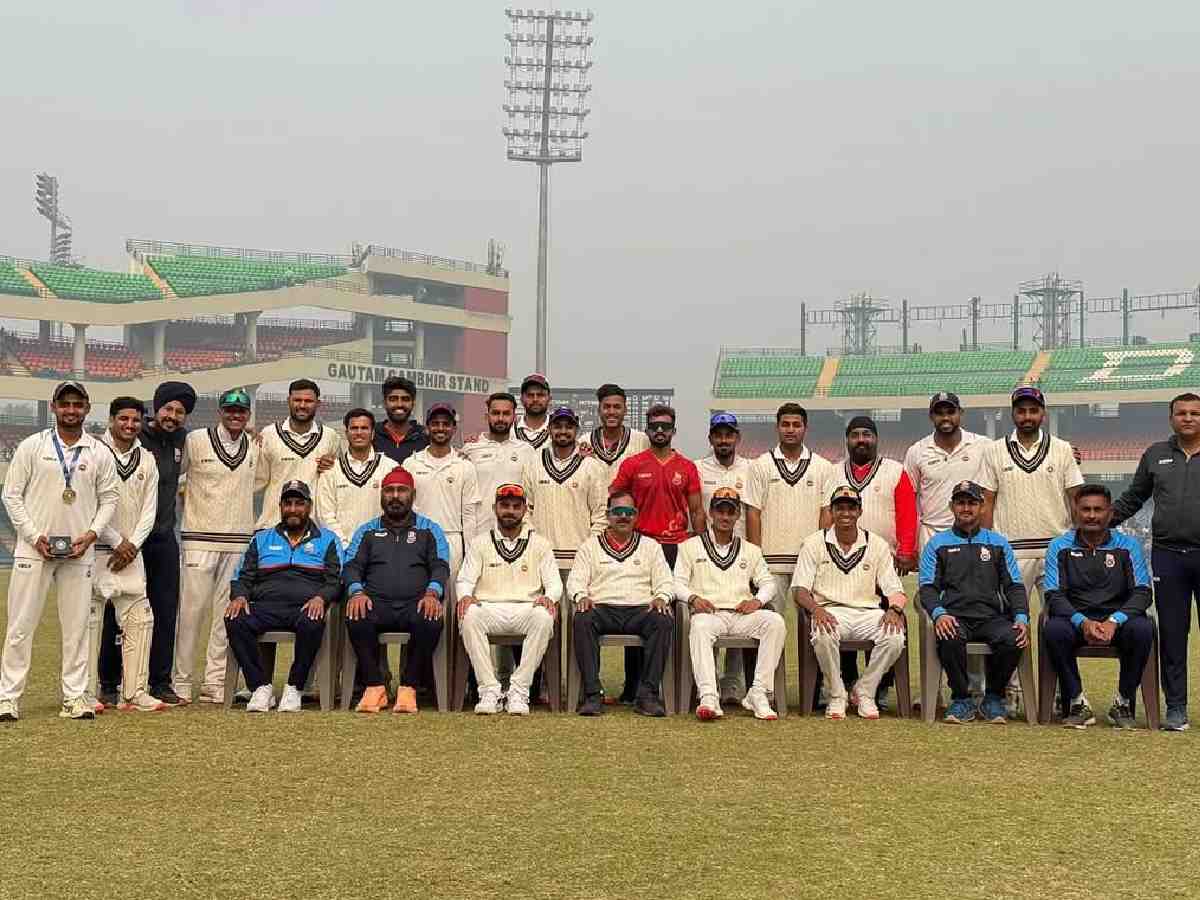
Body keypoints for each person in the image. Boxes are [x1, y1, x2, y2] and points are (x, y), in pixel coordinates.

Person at [0, 381, 119, 722]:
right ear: (53, 407)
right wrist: (34, 536)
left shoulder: (98, 452)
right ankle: (7, 698)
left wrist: (91, 535)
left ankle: (75, 697)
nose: (71, 410)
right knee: (20, 627)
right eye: (64, 404)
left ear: (87, 409)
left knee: (77, 628)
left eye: (77, 404)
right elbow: (11, 495)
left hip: (79, 551)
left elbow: (109, 498)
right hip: (33, 550)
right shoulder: (32, 446)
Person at [978, 386, 1083, 714]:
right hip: (1010, 551)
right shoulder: (994, 451)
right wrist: (989, 545)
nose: (1027, 416)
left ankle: (1062, 694)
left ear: (1043, 413)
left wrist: (1077, 544)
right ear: (1013, 413)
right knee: (1009, 625)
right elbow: (987, 501)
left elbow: (1076, 497)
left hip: (1055, 550)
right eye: (1021, 410)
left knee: (1061, 622)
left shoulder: (1062, 449)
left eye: (1033, 410)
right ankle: (1007, 692)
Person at [98, 380, 194, 706]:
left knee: (165, 613)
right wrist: (124, 541)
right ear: (156, 408)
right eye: (168, 409)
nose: (173, 416)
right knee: (116, 611)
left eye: (180, 412)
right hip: (127, 542)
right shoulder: (137, 437)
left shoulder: (181, 439)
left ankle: (159, 682)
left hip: (163, 538)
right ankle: (109, 683)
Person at [1111, 392, 1200, 731]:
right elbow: (1133, 498)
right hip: (1168, 557)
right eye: (1182, 413)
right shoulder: (1155, 454)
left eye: (1195, 413)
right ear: (1171, 418)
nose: (1188, 418)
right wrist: (1101, 523)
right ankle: (1176, 709)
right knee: (1173, 634)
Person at [609, 404, 705, 702]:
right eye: (654, 426)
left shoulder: (687, 467)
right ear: (648, 429)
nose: (660, 431)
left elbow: (697, 510)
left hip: (677, 547)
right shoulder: (633, 464)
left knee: (674, 618)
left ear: (674, 430)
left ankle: (676, 686)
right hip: (640, 547)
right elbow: (615, 501)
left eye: (665, 426)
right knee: (637, 610)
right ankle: (633, 686)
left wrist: (701, 546)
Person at [224, 480, 343, 713]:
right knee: (234, 618)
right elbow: (242, 576)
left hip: (305, 607)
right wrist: (239, 596)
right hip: (265, 606)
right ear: (280, 506)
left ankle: (295, 687)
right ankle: (260, 687)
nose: (293, 509)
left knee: (313, 621)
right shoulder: (261, 538)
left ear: (309, 506)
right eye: (288, 504)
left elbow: (335, 579)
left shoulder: (328, 539)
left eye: (299, 503)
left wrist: (321, 598)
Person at [791, 486, 908, 721]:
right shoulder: (813, 543)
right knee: (823, 634)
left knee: (895, 637)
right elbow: (799, 590)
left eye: (851, 508)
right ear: (831, 512)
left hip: (868, 612)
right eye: (840, 508)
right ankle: (836, 694)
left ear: (860, 511)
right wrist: (816, 609)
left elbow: (894, 588)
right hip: (831, 611)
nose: (846, 513)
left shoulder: (877, 544)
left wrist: (895, 609)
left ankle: (864, 691)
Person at [1043, 484, 1154, 730]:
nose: (1091, 515)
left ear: (1110, 512)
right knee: (1053, 629)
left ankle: (1123, 702)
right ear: (1076, 512)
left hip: (1118, 620)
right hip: (1076, 619)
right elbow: (1053, 595)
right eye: (1086, 509)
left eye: (1098, 509)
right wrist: (1082, 621)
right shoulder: (1059, 546)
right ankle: (1076, 702)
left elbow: (1143, 593)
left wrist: (1114, 620)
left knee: (1143, 629)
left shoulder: (1128, 545)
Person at [173, 387, 260, 704]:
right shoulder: (195, 440)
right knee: (191, 613)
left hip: (238, 541)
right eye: (230, 410)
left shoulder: (256, 445)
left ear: (247, 415)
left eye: (241, 411)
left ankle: (215, 682)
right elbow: (173, 474)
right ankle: (181, 681)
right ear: (220, 411)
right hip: (198, 538)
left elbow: (263, 480)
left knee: (226, 616)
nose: (235, 415)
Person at [918, 481, 1029, 724]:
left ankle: (993, 697)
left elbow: (1014, 585)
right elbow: (927, 588)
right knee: (948, 634)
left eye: (972, 503)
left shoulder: (998, 543)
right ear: (951, 507)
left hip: (991, 618)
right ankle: (961, 699)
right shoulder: (937, 543)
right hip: (955, 616)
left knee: (1014, 638)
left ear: (982, 507)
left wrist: (1021, 617)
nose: (966, 508)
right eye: (960, 503)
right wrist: (939, 613)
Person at [342, 467, 451, 713]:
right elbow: (351, 566)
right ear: (381, 495)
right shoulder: (367, 530)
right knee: (356, 615)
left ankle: (409, 687)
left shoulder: (429, 529)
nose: (395, 496)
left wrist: (432, 592)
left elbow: (440, 565)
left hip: (417, 602)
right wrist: (357, 592)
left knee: (431, 618)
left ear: (412, 494)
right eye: (389, 490)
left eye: (401, 490)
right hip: (376, 603)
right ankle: (374, 686)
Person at [675, 488, 784, 721]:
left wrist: (757, 601)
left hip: (740, 615)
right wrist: (693, 599)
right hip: (709, 614)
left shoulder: (751, 550)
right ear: (711, 512)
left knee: (775, 622)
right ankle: (708, 696)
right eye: (720, 511)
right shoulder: (689, 547)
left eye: (730, 512)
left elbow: (768, 583)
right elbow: (676, 583)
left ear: (737, 516)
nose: (725, 517)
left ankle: (759, 692)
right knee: (700, 627)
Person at [833, 415, 919, 706]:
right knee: (844, 619)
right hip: (842, 562)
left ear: (876, 439)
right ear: (847, 440)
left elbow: (907, 513)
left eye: (867, 434)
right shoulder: (834, 472)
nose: (861, 440)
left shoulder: (895, 471)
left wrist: (906, 549)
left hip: (885, 563)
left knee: (886, 624)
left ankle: (879, 686)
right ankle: (847, 681)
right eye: (855, 434)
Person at [456, 484, 562, 715]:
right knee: (469, 615)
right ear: (495, 508)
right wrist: (465, 596)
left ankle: (519, 690)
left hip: (526, 609)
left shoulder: (541, 544)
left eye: (516, 506)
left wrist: (549, 597)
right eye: (505, 506)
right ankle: (489, 690)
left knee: (544, 616)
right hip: (489, 608)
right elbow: (464, 579)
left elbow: (554, 583)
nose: (510, 511)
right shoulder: (480, 543)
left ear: (525, 510)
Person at [567, 490, 675, 717]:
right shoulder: (590, 546)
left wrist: (662, 596)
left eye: (628, 512)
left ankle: (647, 695)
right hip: (602, 608)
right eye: (618, 511)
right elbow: (575, 580)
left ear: (636, 515)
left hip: (640, 609)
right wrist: (580, 596)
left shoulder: (651, 546)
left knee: (663, 620)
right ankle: (592, 695)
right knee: (582, 618)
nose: (623, 517)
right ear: (608, 515)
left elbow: (665, 580)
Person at [89, 397, 165, 713]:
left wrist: (131, 544)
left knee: (140, 618)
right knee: (88, 622)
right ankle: (83, 693)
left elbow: (149, 509)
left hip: (132, 553)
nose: (130, 425)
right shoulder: (92, 452)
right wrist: (116, 540)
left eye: (135, 420)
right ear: (111, 419)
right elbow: (91, 504)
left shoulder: (146, 459)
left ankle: (134, 693)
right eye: (123, 419)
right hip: (95, 549)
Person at [694, 411, 754, 703]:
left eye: (729, 435)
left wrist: (755, 553)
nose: (724, 440)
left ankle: (731, 681)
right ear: (711, 438)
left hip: (741, 553)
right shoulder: (698, 468)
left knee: (738, 613)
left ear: (737, 438)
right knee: (710, 614)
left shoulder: (751, 468)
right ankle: (709, 682)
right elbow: (695, 511)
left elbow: (754, 512)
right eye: (718, 435)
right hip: (708, 552)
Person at [744, 402, 836, 578]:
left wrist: (821, 556)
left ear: (805, 428)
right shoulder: (760, 465)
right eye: (785, 424)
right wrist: (755, 562)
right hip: (769, 565)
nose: (791, 430)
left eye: (796, 425)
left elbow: (826, 514)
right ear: (777, 428)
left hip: (809, 563)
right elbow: (753, 513)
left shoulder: (823, 467)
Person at [403, 402, 480, 583]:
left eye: (446, 424)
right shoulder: (411, 463)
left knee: (450, 594)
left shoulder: (465, 466)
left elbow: (469, 515)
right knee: (418, 593)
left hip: (452, 539)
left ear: (454, 428)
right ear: (427, 427)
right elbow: (405, 509)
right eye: (435, 423)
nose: (440, 428)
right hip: (418, 537)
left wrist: (471, 553)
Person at [521, 406, 607, 568]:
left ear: (577, 430)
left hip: (580, 560)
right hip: (541, 558)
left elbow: (601, 514)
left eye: (569, 427)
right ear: (549, 429)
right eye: (557, 426)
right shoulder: (534, 463)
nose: (563, 431)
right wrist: (534, 543)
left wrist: (589, 549)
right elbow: (525, 509)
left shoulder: (591, 466)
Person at [252, 378, 341, 531]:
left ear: (318, 404)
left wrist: (333, 467)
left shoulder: (331, 437)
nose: (302, 405)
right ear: (288, 401)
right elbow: (255, 484)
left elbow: (337, 483)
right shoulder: (268, 434)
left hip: (314, 529)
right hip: (274, 525)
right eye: (297, 400)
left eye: (308, 401)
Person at [903, 392, 987, 550]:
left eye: (951, 412)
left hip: (972, 535)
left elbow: (990, 492)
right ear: (931, 416)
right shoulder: (917, 451)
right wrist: (908, 545)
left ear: (961, 413)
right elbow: (909, 499)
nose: (945, 418)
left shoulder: (982, 446)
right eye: (939, 413)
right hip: (931, 536)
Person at [314, 408, 400, 547]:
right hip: (343, 550)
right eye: (354, 428)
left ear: (372, 433)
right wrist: (346, 546)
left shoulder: (390, 467)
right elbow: (325, 515)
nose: (359, 432)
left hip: (382, 548)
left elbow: (396, 511)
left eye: (364, 428)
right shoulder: (331, 470)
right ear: (346, 433)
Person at [461, 392, 536, 537]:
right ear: (487, 416)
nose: (500, 418)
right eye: (495, 413)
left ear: (514, 418)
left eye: (506, 413)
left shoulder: (527, 451)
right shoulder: (470, 449)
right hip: (480, 534)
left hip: (517, 535)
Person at [584, 383, 650, 469]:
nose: (611, 412)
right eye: (606, 407)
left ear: (625, 410)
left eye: (617, 407)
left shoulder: (641, 441)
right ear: (599, 410)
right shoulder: (585, 441)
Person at [373, 375, 429, 465]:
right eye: (393, 399)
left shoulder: (424, 437)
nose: (399, 404)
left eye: (405, 399)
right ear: (384, 403)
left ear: (413, 403)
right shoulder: (372, 435)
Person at [514, 373, 552, 449]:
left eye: (540, 395)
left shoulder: (559, 430)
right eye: (530, 395)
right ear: (521, 399)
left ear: (549, 399)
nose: (535, 399)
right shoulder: (510, 430)